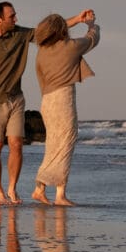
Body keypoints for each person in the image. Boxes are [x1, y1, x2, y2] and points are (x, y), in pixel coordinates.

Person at [0, 1, 91, 205]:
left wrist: (78, 20)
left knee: (16, 144)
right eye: (12, 16)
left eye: (15, 15)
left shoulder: (19, 34)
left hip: (16, 98)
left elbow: (49, 30)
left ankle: (12, 189)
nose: (16, 19)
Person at [31, 11, 100, 206]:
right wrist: (91, 24)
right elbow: (92, 39)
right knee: (66, 142)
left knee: (53, 144)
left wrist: (77, 19)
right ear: (62, 31)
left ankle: (40, 189)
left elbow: (52, 32)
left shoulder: (42, 50)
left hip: (46, 101)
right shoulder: (70, 47)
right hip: (62, 99)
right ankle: (59, 194)